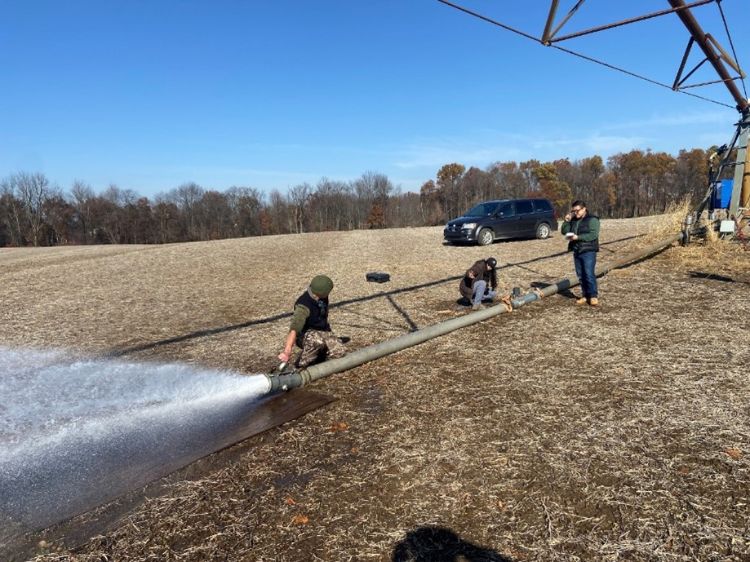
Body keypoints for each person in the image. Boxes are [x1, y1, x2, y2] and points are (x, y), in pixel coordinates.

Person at [278, 275, 346, 368]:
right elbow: (294, 329)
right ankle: (300, 365)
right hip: (306, 335)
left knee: (339, 351)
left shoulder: (322, 297)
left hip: (322, 331)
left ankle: (319, 358)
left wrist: (329, 336)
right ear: (322, 292)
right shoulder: (303, 305)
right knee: (317, 341)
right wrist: (287, 350)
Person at [561, 200, 600, 306]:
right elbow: (564, 231)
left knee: (588, 273)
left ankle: (593, 296)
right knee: (581, 275)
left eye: (577, 211)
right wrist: (566, 221)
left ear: (584, 209)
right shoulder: (573, 220)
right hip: (577, 250)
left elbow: (593, 235)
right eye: (573, 211)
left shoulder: (592, 220)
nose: (575, 213)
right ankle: (585, 295)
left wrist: (578, 237)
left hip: (588, 251)